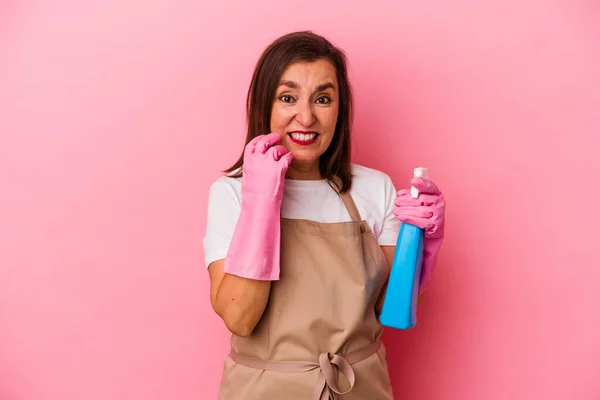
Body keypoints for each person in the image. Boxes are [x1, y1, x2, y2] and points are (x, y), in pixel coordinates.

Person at [203, 31, 446, 399]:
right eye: (288, 98)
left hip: (360, 388)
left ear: (339, 109)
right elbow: (239, 317)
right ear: (264, 108)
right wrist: (262, 203)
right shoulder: (231, 194)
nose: (306, 116)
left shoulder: (374, 189)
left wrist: (423, 246)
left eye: (322, 99)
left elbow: (392, 310)